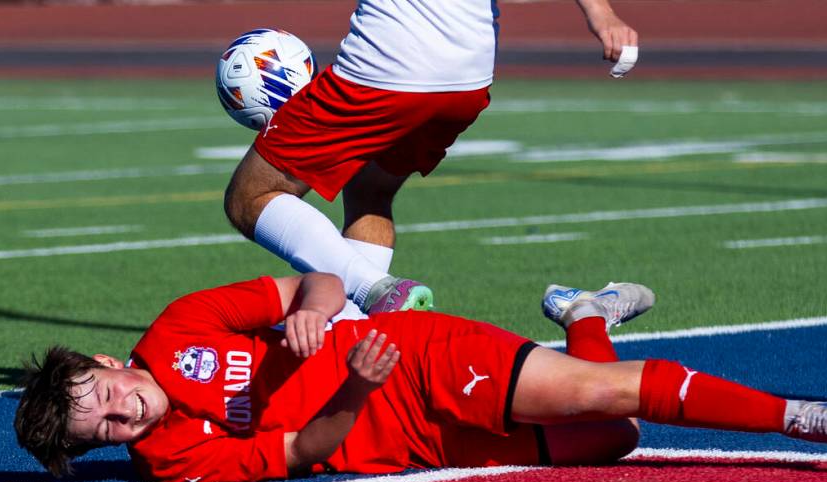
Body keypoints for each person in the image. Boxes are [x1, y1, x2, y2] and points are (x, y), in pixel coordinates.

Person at [14, 273, 827, 482]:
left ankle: (798, 417)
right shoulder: (171, 462)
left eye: (109, 398)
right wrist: (352, 386)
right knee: (612, 437)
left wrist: (316, 307)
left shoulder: (178, 326)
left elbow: (312, 283)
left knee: (601, 394)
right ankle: (587, 315)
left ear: (107, 364)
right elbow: (308, 447)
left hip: (415, 357)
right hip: (407, 437)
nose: (123, 416)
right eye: (107, 432)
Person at [223, 0, 640, 313]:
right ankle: (351, 329)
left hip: (390, 64)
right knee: (370, 189)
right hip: (468, 79)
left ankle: (373, 291)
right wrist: (602, 14)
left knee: (251, 196)